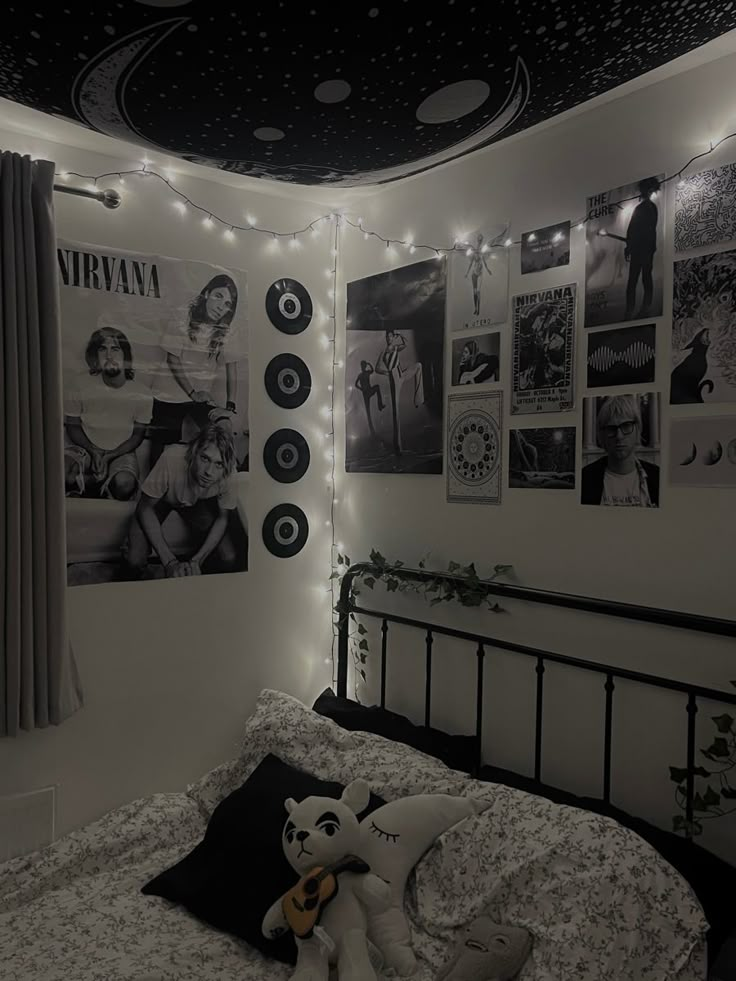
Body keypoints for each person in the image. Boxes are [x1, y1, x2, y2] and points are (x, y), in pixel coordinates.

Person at [125, 424, 246, 577]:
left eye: (218, 464)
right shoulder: (172, 457)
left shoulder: (229, 473)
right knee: (134, 561)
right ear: (194, 451)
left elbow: (222, 518)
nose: (209, 472)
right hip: (162, 500)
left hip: (197, 503)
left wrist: (197, 560)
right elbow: (144, 507)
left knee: (229, 558)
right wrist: (170, 562)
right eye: (204, 458)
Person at [149, 274, 240, 468]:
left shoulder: (226, 329)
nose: (220, 307)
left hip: (200, 397)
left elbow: (232, 367)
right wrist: (192, 392)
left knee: (222, 429)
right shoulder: (182, 316)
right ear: (206, 293)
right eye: (218, 296)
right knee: (161, 452)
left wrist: (230, 406)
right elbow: (172, 359)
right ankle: (153, 494)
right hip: (169, 394)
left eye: (227, 304)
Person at [64, 326, 152, 500]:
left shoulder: (141, 392)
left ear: (125, 355)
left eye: (115, 349)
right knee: (62, 472)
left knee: (124, 484)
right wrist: (94, 451)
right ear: (95, 356)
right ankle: (91, 484)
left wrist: (111, 455)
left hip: (121, 452)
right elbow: (73, 426)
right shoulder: (79, 384)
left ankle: (94, 485)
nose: (109, 356)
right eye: (103, 349)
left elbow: (137, 436)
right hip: (85, 448)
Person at [581, 395, 659, 507]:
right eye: (611, 428)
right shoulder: (585, 479)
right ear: (602, 435)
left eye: (626, 426)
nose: (619, 436)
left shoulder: (657, 477)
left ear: (637, 429)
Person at [375, 329, 424, 455]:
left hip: (401, 374)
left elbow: (406, 344)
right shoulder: (383, 351)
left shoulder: (396, 347)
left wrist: (401, 335)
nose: (389, 338)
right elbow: (378, 368)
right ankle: (398, 447)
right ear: (386, 338)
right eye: (387, 337)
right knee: (396, 413)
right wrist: (387, 373)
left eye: (391, 336)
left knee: (418, 366)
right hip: (394, 378)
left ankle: (419, 399)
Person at [624, 177, 660, 320]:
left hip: (642, 250)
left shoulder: (645, 208)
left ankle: (637, 309)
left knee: (637, 279)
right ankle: (638, 309)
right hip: (644, 249)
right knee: (641, 278)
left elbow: (635, 230)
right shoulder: (649, 208)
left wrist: (630, 246)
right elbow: (635, 230)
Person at [465, 234, 493, 317]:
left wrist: (488, 270)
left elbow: (484, 263)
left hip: (480, 273)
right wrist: (467, 273)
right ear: (477, 240)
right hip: (474, 273)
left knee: (478, 292)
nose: (480, 241)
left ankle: (478, 310)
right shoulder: (474, 252)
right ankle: (475, 309)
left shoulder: (481, 253)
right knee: (474, 292)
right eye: (479, 239)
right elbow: (470, 264)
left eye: (481, 240)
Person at [354, 359, 385, 436]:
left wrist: (369, 364)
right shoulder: (360, 375)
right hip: (365, 393)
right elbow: (356, 384)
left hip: (369, 390)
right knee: (368, 412)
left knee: (377, 387)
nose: (363, 367)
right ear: (361, 367)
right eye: (363, 366)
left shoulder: (367, 373)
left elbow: (372, 370)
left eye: (364, 366)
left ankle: (380, 405)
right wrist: (361, 389)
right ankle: (372, 431)